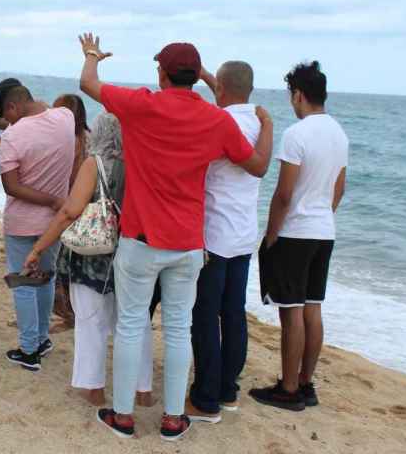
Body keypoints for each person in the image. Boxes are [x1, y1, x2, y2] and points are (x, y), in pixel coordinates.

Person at [78, 33, 272, 441]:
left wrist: (92, 56)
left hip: (142, 238)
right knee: (180, 329)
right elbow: (256, 166)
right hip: (188, 244)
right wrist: (268, 125)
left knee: (132, 326)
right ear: (195, 77)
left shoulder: (142, 106)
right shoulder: (217, 120)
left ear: (162, 74)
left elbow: (88, 84)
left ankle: (124, 417)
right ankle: (172, 419)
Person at [24, 113, 155, 407]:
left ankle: (94, 389)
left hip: (94, 255)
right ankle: (143, 390)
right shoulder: (142, 163)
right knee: (136, 322)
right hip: (134, 251)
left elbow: (70, 211)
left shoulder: (93, 164)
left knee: (91, 320)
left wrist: (39, 247)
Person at [250, 61, 348, 412]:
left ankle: (288, 389)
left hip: (296, 232)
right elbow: (339, 188)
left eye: (292, 94)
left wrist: (272, 232)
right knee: (312, 307)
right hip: (324, 231)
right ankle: (306, 383)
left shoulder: (298, 134)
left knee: (290, 311)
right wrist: (323, 215)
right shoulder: (339, 133)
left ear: (299, 95)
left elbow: (284, 193)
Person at [184, 61, 266, 422]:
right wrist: (205, 75)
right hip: (245, 235)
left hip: (215, 235)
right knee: (233, 314)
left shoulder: (220, 123)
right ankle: (228, 391)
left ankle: (206, 399)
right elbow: (229, 91)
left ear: (220, 90)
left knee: (204, 316)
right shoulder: (258, 120)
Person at [0, 85, 75, 372]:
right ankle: (42, 339)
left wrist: (51, 199)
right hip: (54, 222)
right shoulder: (65, 117)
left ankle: (29, 350)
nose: (7, 120)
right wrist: (59, 199)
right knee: (44, 279)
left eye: (7, 114)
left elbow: (11, 186)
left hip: (22, 221)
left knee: (23, 283)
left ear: (13, 107)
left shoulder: (13, 135)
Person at [51, 93, 89, 331]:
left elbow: (71, 177)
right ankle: (70, 315)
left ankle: (68, 316)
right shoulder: (88, 135)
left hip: (71, 206)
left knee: (61, 266)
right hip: (86, 208)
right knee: (72, 267)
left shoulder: (72, 140)